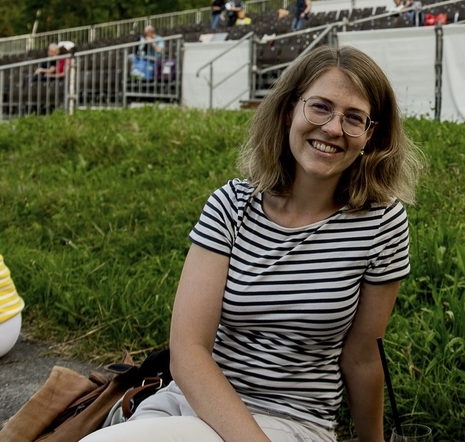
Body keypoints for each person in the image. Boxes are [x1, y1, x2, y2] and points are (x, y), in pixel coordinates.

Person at [81, 45, 421, 442]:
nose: (332, 128)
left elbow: (362, 356)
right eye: (321, 107)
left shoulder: (381, 223)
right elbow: (188, 349)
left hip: (292, 421)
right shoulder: (231, 205)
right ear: (288, 111)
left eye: (353, 118)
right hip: (192, 402)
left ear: (370, 135)